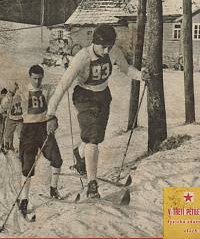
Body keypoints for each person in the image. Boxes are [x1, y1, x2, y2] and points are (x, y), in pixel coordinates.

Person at [47, 24, 149, 199]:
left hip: (103, 96)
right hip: (85, 97)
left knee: (96, 138)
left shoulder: (113, 51)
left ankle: (78, 155)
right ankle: (92, 185)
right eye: (104, 46)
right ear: (95, 42)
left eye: (110, 46)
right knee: (93, 138)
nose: (107, 50)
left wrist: (140, 75)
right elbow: (63, 85)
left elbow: (125, 69)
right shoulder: (82, 57)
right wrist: (50, 113)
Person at [18, 65, 63, 216]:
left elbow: (63, 85)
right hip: (29, 130)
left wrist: (53, 118)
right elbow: (6, 106)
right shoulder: (23, 91)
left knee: (56, 158)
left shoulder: (47, 89)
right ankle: (24, 199)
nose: (37, 81)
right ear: (30, 77)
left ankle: (53, 188)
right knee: (28, 166)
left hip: (43, 128)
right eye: (34, 78)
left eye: (40, 78)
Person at [0, 83, 23, 153]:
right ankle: (6, 146)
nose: (13, 92)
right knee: (7, 133)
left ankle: (21, 148)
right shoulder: (7, 98)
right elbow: (2, 107)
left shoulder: (20, 96)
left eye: (15, 89)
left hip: (20, 119)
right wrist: (3, 112)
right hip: (11, 118)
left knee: (21, 135)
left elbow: (25, 104)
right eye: (11, 91)